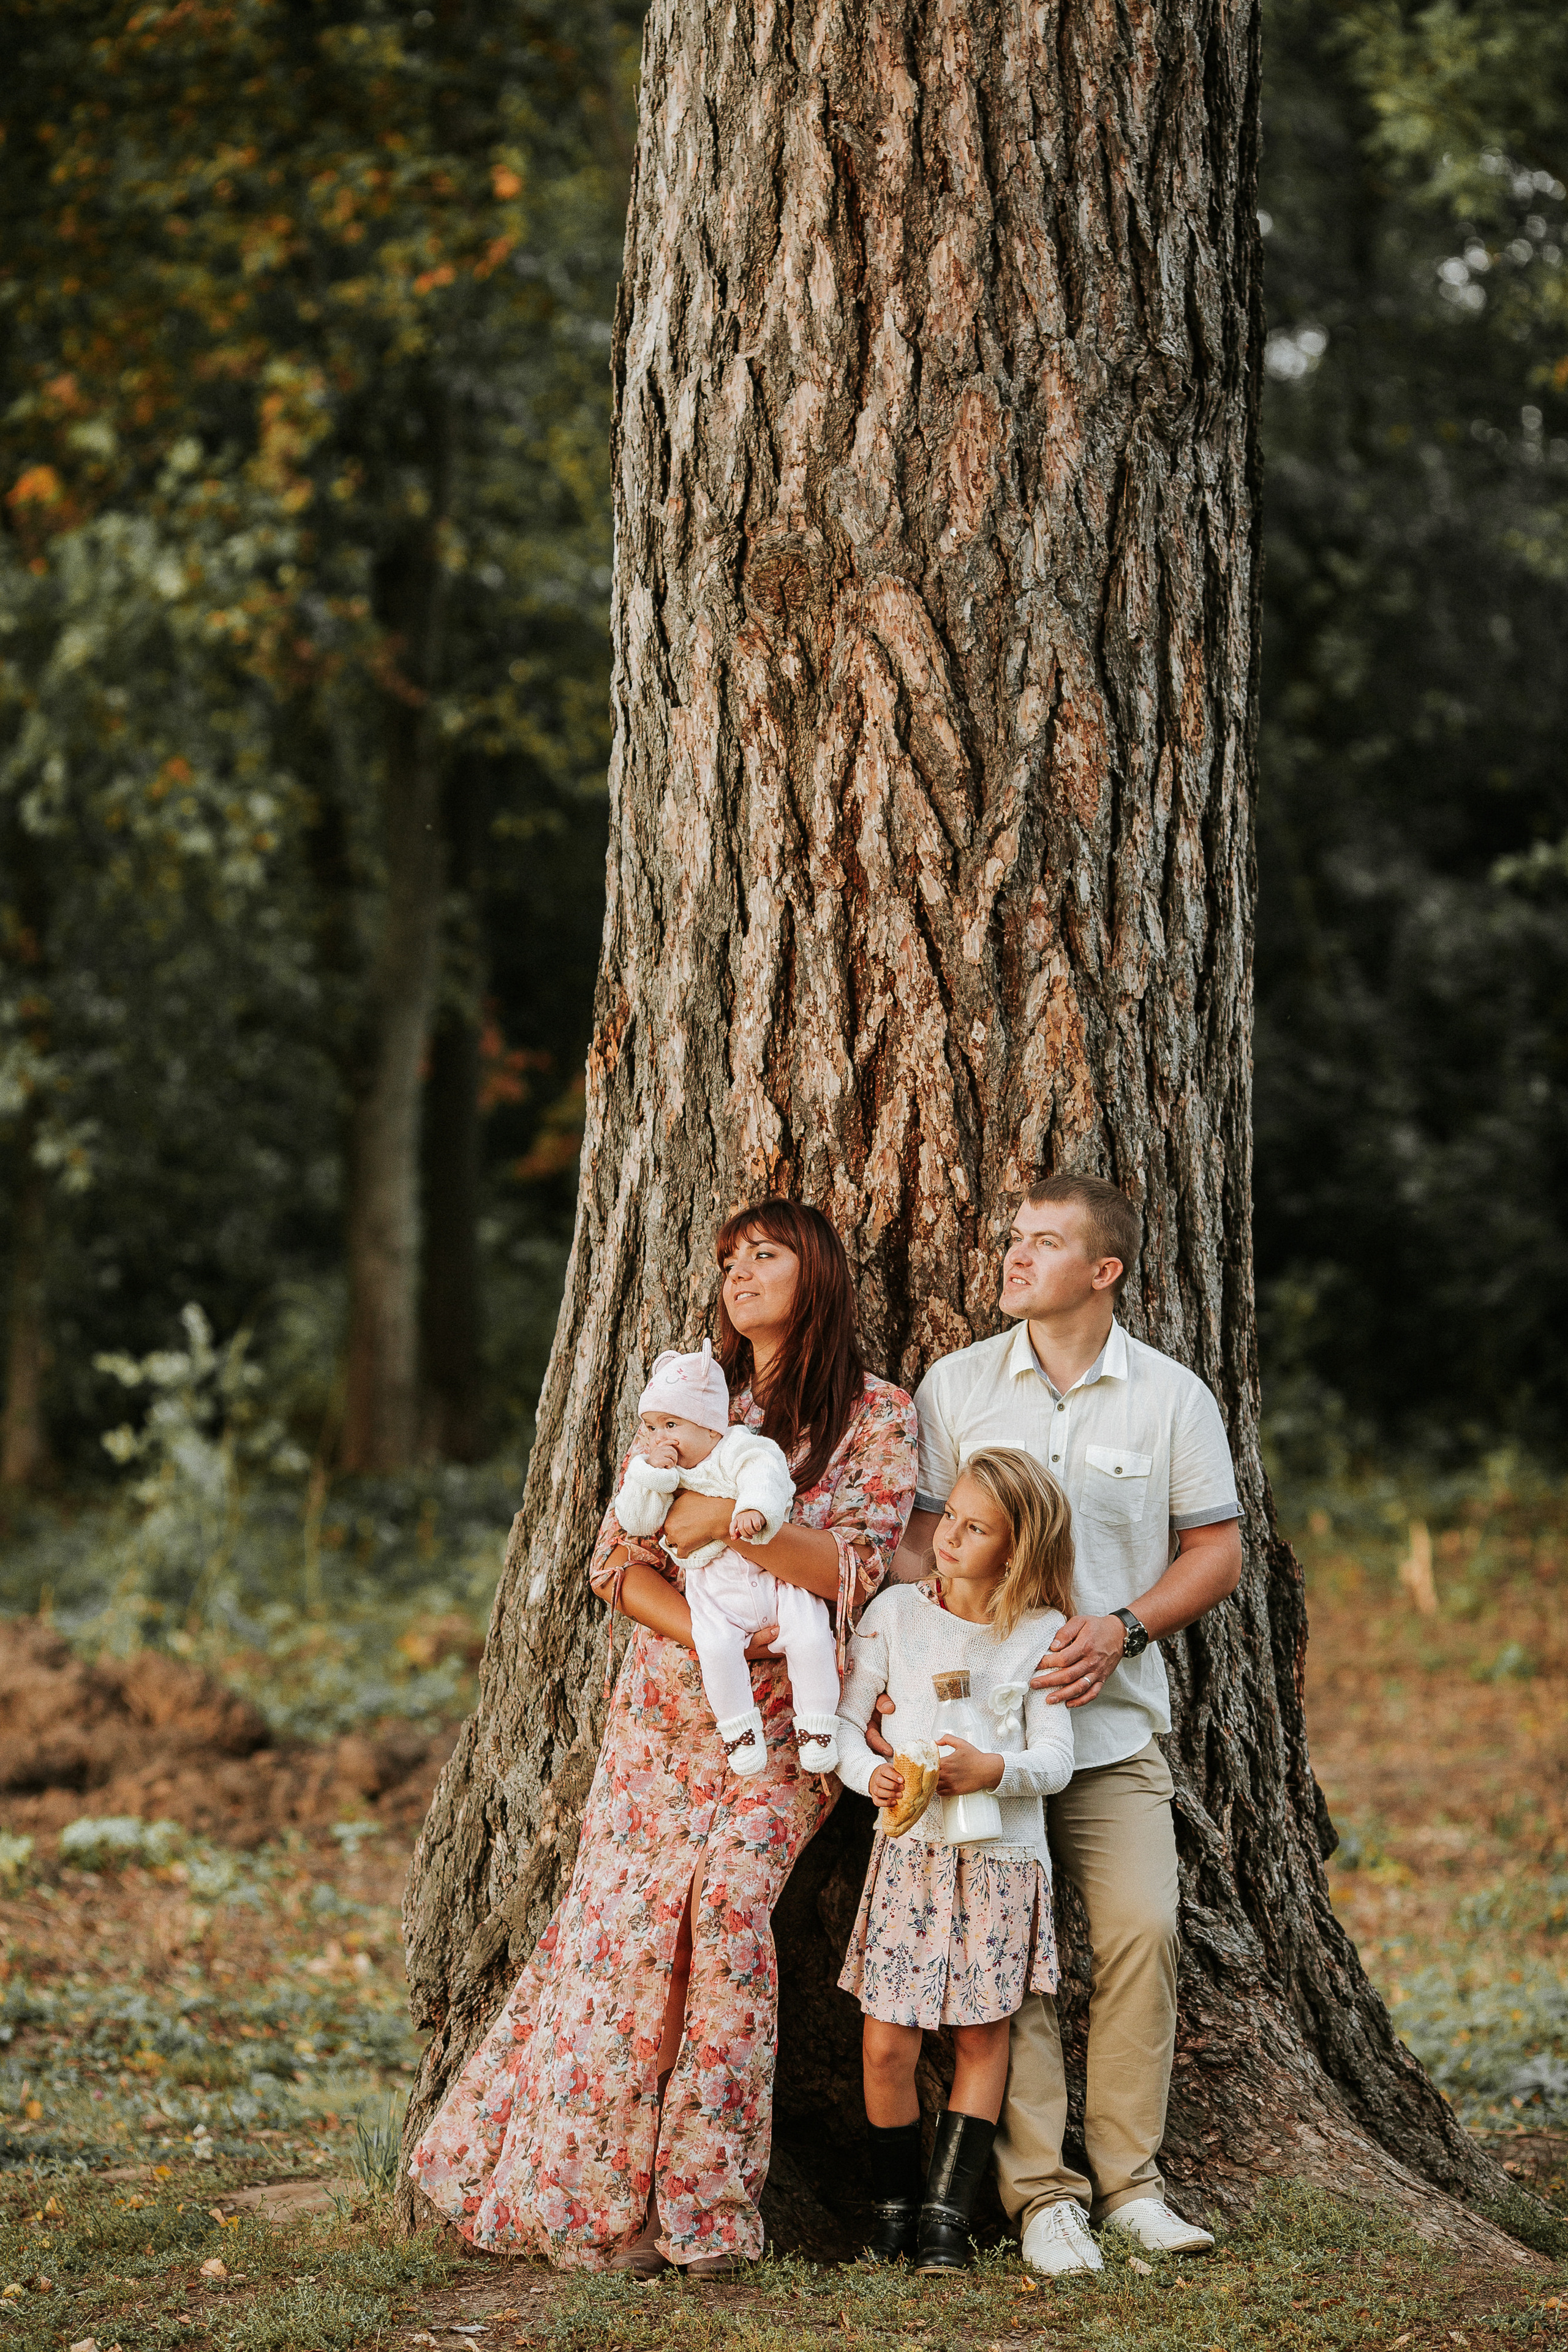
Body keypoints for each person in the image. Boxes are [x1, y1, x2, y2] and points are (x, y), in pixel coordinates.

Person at [408, 1198, 916, 2278]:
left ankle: (703, 2211)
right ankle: (605, 2209)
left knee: (728, 1911)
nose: (740, 1274)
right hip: (667, 1713)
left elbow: (858, 1571)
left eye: (766, 1256)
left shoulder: (878, 1416)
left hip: (797, 1724)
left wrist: (734, 1534)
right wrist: (709, 1635)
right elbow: (616, 1565)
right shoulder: (695, 1397)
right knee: (628, 1934)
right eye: (729, 1258)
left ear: (816, 1273)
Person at [883, 1172, 1242, 2275]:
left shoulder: (1171, 1397)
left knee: (1141, 1933)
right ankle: (1043, 2197)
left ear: (1105, 1270)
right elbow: (918, 1545)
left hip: (1112, 1731)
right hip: (987, 1758)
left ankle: (1133, 2184)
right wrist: (956, 1653)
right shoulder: (956, 1387)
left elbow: (1216, 1550)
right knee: (1011, 1973)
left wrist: (1123, 1629)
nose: (1013, 1256)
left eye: (1042, 1242)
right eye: (1014, 1238)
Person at [835, 1449, 1076, 2272]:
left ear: (1015, 1551)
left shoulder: (1041, 1636)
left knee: (981, 2036)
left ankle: (946, 2216)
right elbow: (842, 1721)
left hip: (1002, 1864)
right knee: (886, 2046)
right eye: (951, 1520)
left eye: (977, 1530)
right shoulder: (897, 1612)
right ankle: (893, 2208)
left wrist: (995, 1772)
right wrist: (866, 1770)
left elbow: (1057, 1759)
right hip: (910, 1861)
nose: (949, 1538)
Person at [612, 1338, 841, 1776]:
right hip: (714, 1587)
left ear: (710, 1426)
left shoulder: (735, 1447)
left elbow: (765, 1472)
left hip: (772, 1576)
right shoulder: (665, 1470)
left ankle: (818, 1726)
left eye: (671, 1424)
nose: (661, 1437)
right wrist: (650, 1478)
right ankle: (740, 1733)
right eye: (653, 1427)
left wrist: (756, 1508)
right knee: (715, 1648)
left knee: (810, 1634)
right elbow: (638, 1521)